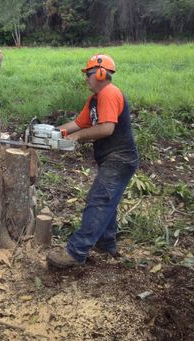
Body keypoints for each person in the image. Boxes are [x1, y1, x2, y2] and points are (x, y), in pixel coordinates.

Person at [47, 54, 138, 268]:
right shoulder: (95, 99)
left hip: (120, 157)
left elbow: (107, 128)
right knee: (108, 200)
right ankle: (106, 242)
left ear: (100, 73)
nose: (86, 78)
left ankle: (76, 251)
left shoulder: (109, 93)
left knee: (99, 200)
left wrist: (78, 137)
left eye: (88, 74)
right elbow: (79, 123)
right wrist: (52, 132)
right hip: (111, 158)